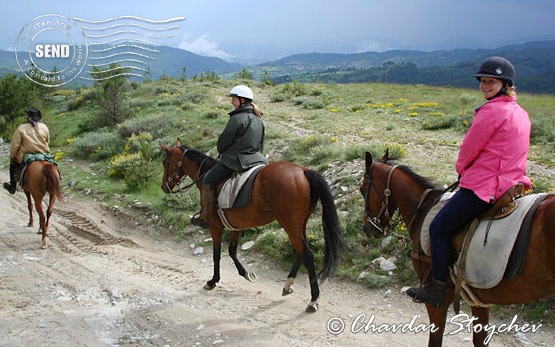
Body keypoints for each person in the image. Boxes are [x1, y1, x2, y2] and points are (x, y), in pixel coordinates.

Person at [407, 56, 532, 308]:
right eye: (483, 81)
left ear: (505, 84)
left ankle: (438, 288)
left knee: (438, 228)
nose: (485, 85)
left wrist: (462, 169)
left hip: (486, 186)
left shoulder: (491, 112)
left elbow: (469, 148)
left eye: (491, 81)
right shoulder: (520, 113)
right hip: (513, 184)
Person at [191, 85, 268, 229]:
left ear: (242, 100)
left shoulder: (237, 118)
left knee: (207, 180)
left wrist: (221, 149)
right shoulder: (259, 120)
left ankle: (205, 218)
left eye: (234, 99)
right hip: (258, 160)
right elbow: (260, 144)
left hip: (236, 161)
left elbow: (224, 141)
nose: (232, 102)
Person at [3, 107, 51, 194]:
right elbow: (47, 141)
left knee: (12, 166)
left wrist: (12, 157)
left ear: (28, 118)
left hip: (26, 156)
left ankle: (12, 187)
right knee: (53, 165)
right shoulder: (44, 127)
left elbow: (15, 145)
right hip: (43, 154)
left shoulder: (21, 128)